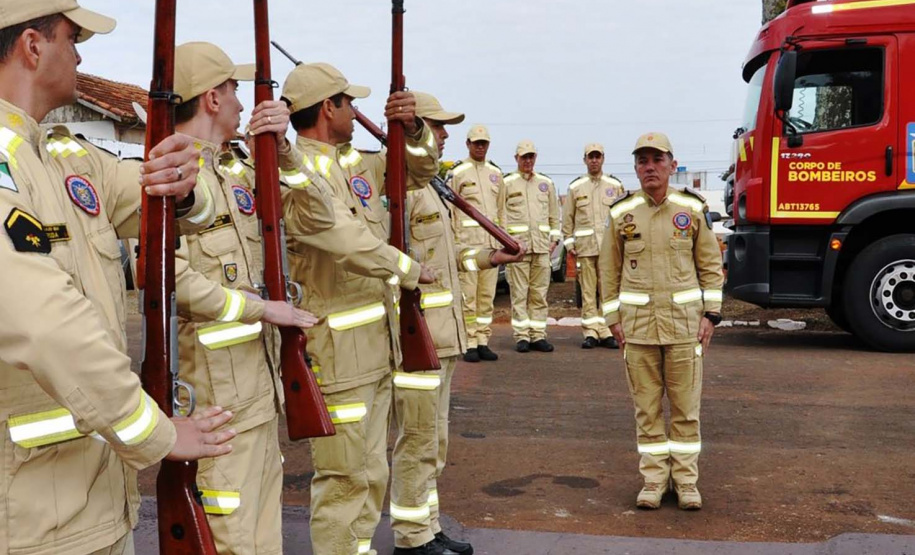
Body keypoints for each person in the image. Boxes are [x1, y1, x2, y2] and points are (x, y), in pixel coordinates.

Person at [0, 3, 235, 554]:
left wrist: (185, 183)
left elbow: (164, 199)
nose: (80, 57)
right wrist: (155, 432)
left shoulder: (64, 157)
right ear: (33, 46)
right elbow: (45, 324)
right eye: (72, 39)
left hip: (93, 497)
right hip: (30, 518)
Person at [278, 62, 437, 555]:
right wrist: (406, 268)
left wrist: (413, 129)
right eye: (349, 103)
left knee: (370, 474)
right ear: (329, 108)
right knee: (344, 478)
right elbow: (344, 240)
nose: (355, 112)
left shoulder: (356, 164)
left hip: (374, 348)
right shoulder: (291, 173)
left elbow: (420, 171)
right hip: (337, 356)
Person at [170, 42, 322, 555]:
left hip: (257, 388)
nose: (243, 102)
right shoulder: (172, 171)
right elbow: (171, 279)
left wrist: (284, 150)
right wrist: (261, 309)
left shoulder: (236, 171)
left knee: (262, 530)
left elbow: (316, 216)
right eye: (234, 90)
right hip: (215, 400)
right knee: (232, 534)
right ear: (212, 98)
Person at [390, 92, 526, 555]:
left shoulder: (432, 187)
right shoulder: (402, 191)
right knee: (417, 440)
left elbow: (447, 260)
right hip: (418, 336)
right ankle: (411, 537)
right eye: (437, 126)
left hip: (445, 336)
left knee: (435, 440)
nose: (445, 135)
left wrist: (489, 257)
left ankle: (427, 526)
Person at [599, 132, 724, 511]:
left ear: (672, 165)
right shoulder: (622, 213)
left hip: (685, 328)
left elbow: (710, 265)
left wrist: (711, 314)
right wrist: (613, 319)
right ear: (636, 168)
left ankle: (686, 482)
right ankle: (653, 481)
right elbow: (608, 270)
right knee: (647, 410)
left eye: (657, 159)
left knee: (686, 411)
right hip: (637, 330)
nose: (650, 167)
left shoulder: (692, 209)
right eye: (643, 160)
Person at [448, 125, 504, 363]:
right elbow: (449, 209)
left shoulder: (496, 173)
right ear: (468, 144)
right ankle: (469, 342)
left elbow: (501, 211)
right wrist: (453, 243)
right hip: (467, 247)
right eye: (476, 142)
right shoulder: (458, 172)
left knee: (486, 297)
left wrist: (504, 242)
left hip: (491, 247)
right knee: (468, 297)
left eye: (484, 143)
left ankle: (483, 340)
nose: (480, 146)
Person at [562, 143, 625, 349]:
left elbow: (622, 217)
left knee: (607, 291)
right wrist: (569, 243)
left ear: (603, 159)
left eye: (598, 157)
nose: (594, 160)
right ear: (585, 160)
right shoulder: (576, 187)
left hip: (608, 249)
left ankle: (606, 331)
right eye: (591, 157)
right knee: (588, 292)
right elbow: (568, 218)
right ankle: (590, 332)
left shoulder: (615, 185)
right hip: (585, 249)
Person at [501, 140, 560, 353]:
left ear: (535, 158)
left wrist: (554, 240)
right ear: (516, 158)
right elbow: (501, 217)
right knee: (519, 294)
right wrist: (507, 243)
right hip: (518, 250)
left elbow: (554, 215)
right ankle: (522, 336)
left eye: (531, 156)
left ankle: (538, 335)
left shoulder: (546, 183)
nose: (528, 160)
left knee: (539, 294)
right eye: (524, 157)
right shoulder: (506, 183)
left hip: (542, 248)